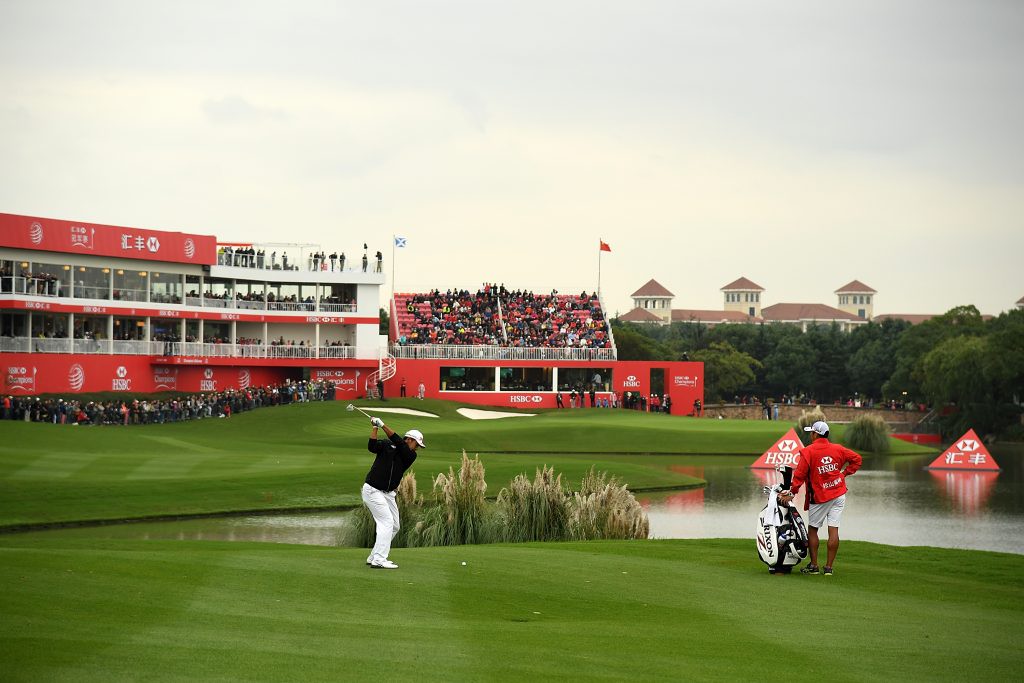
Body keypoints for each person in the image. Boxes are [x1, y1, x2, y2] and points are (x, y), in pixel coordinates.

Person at [779, 421, 862, 576]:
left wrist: (792, 492)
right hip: (838, 494)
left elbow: (800, 475)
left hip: (820, 497)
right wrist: (844, 474)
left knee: (813, 530)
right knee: (833, 530)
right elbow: (857, 459)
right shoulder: (838, 448)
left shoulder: (808, 451)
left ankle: (814, 566)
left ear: (816, 434)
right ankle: (829, 568)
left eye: (812, 432)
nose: (811, 434)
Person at [362, 417, 425, 569]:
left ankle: (374, 556)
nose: (417, 448)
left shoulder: (410, 455)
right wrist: (375, 428)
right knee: (386, 522)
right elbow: (372, 446)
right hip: (373, 490)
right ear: (410, 440)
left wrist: (383, 424)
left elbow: (399, 444)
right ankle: (379, 559)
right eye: (417, 444)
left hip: (389, 494)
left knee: (395, 525)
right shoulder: (387, 444)